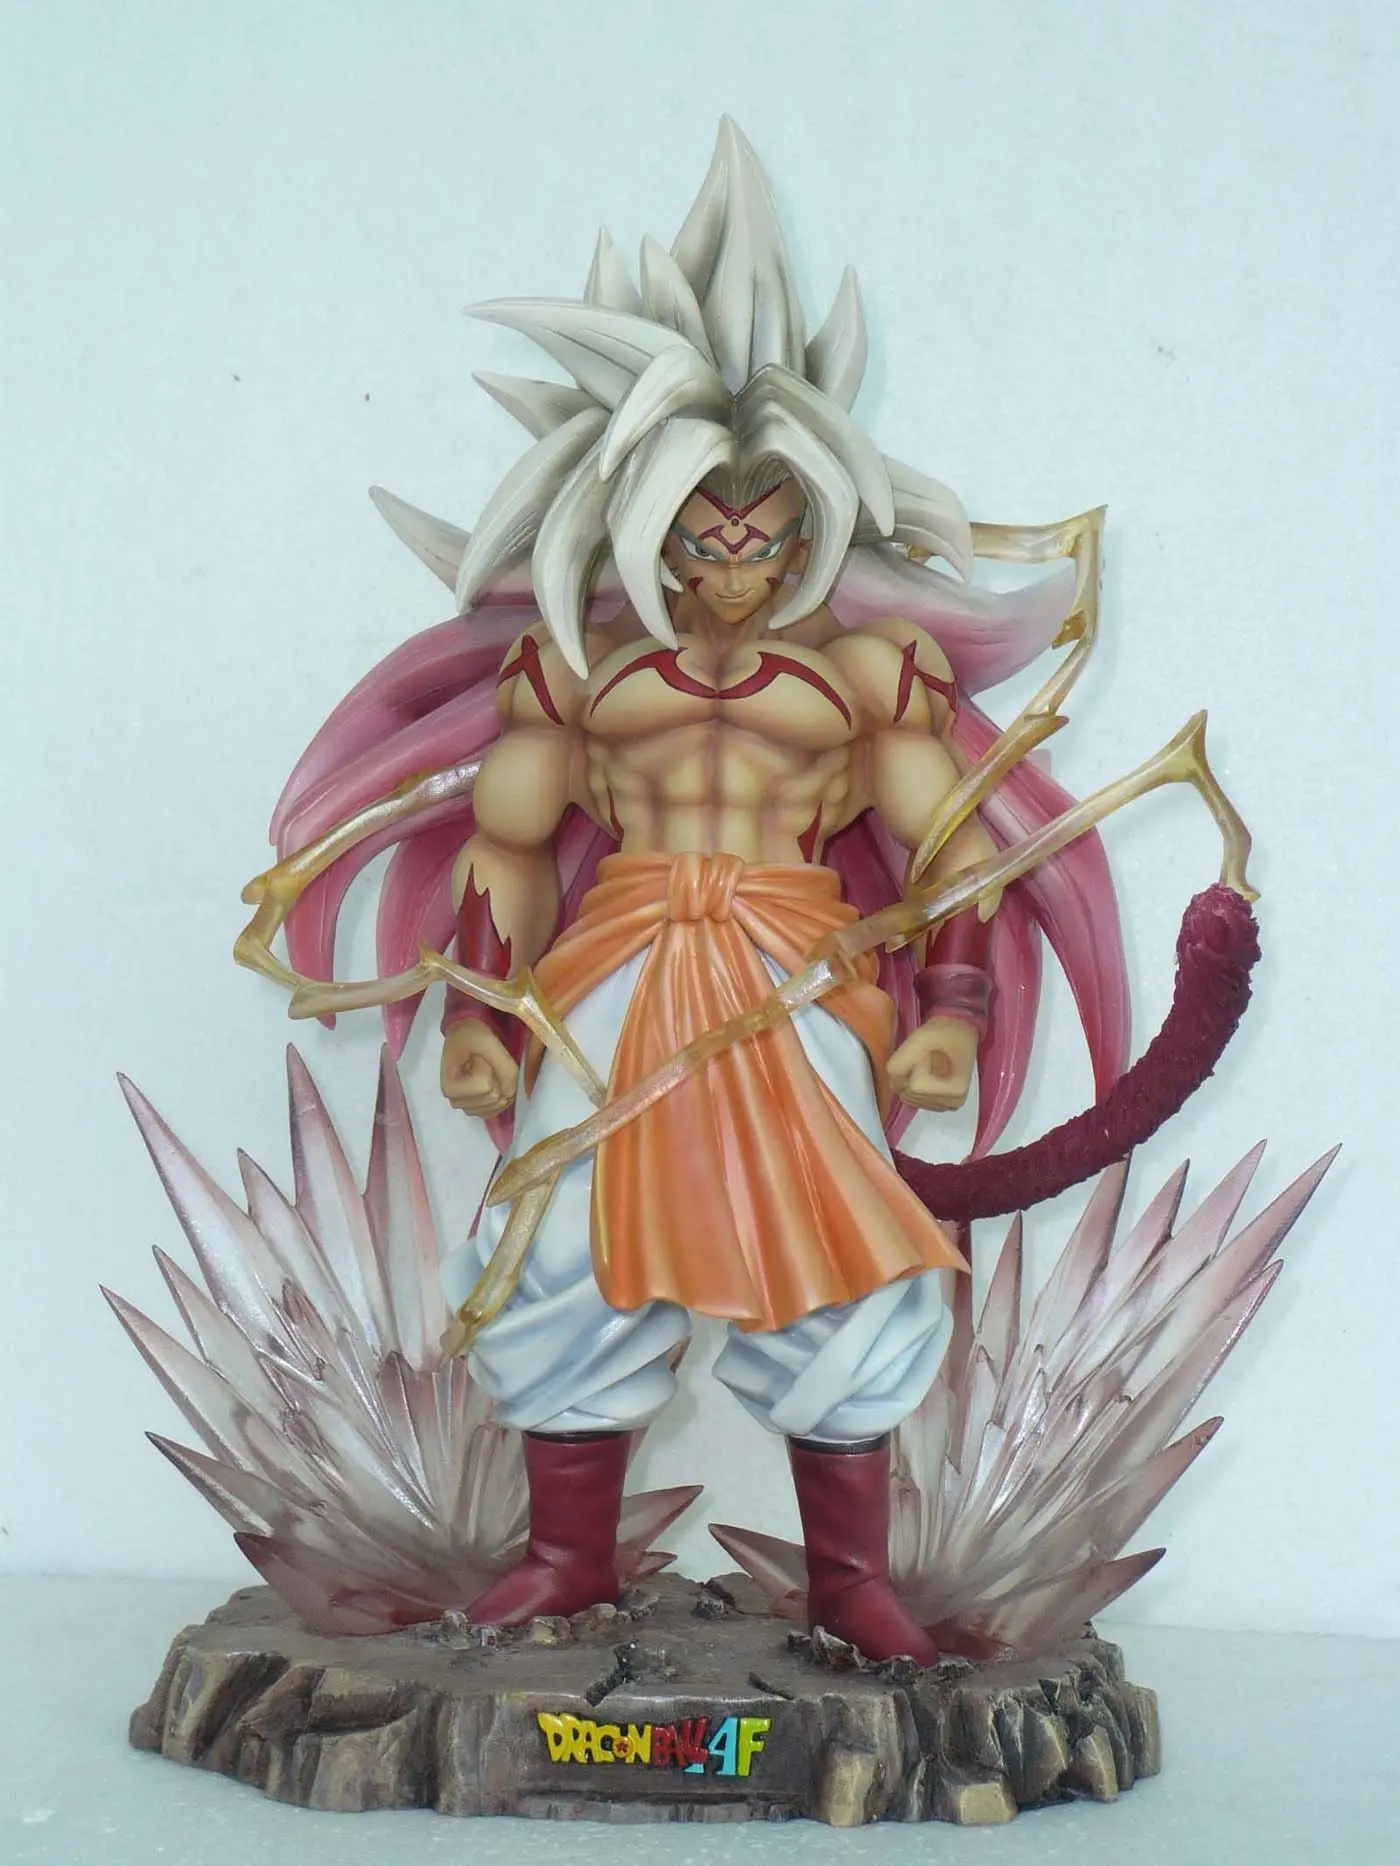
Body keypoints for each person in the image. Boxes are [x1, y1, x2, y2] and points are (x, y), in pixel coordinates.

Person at [264, 121, 1128, 1663]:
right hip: (614, 964)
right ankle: (568, 1557)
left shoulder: (866, 673)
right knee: (556, 1245)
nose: (734, 565)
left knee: (835, 1253)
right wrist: (486, 1016)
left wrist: (951, 1007)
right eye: (702, 534)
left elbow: (952, 848)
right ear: (643, 524)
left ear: (810, 525)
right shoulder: (579, 671)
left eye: (766, 533)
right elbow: (508, 844)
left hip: (796, 968)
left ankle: (848, 1580)